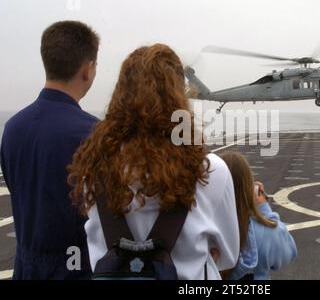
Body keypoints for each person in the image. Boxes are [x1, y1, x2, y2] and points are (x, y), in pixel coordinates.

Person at [67, 44, 240, 279]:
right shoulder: (212, 170)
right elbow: (228, 255)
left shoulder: (92, 167)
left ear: (120, 96)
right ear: (179, 97)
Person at [0, 21, 100, 279]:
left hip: (26, 268)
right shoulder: (95, 133)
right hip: (77, 270)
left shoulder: (12, 128)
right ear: (87, 70)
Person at [219, 151, 297, 280]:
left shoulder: (203, 227)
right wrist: (264, 208)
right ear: (250, 187)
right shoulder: (266, 231)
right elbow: (287, 253)